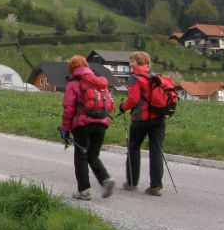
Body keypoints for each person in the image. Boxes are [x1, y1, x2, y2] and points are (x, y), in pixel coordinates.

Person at [60, 55, 115, 201]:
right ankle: (105, 180)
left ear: (72, 69)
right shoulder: (98, 81)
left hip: (82, 125)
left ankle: (84, 191)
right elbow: (111, 105)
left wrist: (65, 128)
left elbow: (69, 108)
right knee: (93, 155)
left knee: (81, 157)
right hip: (101, 124)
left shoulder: (74, 83)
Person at [119, 50, 165, 196]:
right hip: (158, 118)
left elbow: (133, 100)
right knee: (156, 150)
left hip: (141, 118)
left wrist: (122, 107)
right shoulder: (154, 76)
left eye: (132, 61)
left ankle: (132, 182)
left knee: (133, 148)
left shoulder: (134, 78)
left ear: (139, 62)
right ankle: (156, 186)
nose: (130, 64)